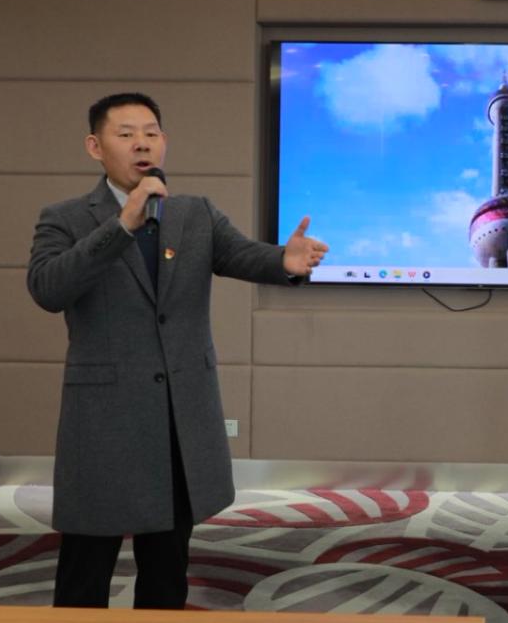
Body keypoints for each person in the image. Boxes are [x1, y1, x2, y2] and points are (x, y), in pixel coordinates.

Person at [27, 92, 328, 609]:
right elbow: (48, 288)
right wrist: (121, 225)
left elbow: (242, 255)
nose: (142, 144)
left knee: (167, 570)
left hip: (178, 418)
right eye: (126, 134)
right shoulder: (66, 218)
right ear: (95, 147)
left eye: (151, 133)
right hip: (104, 421)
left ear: (164, 142)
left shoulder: (195, 214)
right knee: (85, 570)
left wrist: (284, 261)